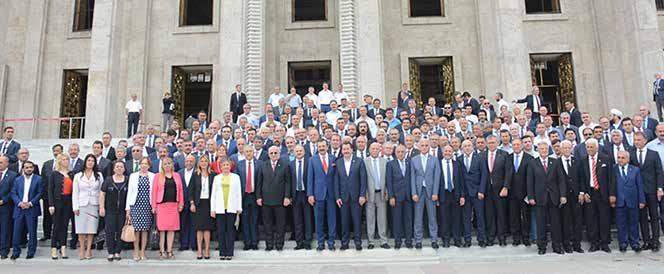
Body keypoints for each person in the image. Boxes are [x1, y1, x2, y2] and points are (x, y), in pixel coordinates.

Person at [527, 141, 566, 255]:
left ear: (549, 150)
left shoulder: (555, 162)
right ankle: (542, 246)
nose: (544, 150)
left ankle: (557, 246)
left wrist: (563, 195)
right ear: (538, 150)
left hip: (554, 197)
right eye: (541, 149)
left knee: (555, 223)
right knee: (541, 223)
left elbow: (561, 180)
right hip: (539, 198)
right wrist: (531, 197)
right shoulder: (532, 163)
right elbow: (530, 181)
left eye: (545, 149)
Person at [578, 138, 615, 253]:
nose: (589, 149)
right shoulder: (583, 160)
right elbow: (582, 179)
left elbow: (611, 178)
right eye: (587, 147)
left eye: (591, 147)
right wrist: (584, 193)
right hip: (590, 193)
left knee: (604, 218)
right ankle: (594, 243)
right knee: (591, 219)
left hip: (603, 193)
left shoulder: (606, 159)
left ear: (597, 147)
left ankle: (604, 243)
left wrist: (612, 194)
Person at [631, 132, 663, 252]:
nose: (637, 142)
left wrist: (659, 188)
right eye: (635, 140)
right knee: (642, 217)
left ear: (645, 140)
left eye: (639, 140)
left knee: (654, 216)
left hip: (652, 190)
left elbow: (659, 172)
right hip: (639, 191)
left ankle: (655, 240)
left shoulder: (653, 154)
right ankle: (646, 241)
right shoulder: (632, 154)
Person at [256, 146, 291, 251]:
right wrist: (258, 197)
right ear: (268, 154)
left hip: (280, 200)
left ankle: (279, 244)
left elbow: (288, 183)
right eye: (271, 153)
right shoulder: (263, 165)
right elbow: (259, 183)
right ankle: (269, 245)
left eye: (276, 153)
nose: (274, 155)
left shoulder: (285, 165)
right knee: (268, 224)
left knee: (280, 224)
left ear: (279, 153)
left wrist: (287, 197)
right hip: (266, 200)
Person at [334, 142, 367, 251]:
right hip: (343, 198)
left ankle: (358, 242)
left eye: (348, 149)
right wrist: (337, 196)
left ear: (352, 149)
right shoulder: (338, 162)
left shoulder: (359, 161)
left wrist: (362, 195)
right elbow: (336, 181)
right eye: (344, 149)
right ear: (342, 151)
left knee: (357, 221)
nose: (346, 151)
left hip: (356, 197)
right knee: (344, 221)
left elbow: (363, 179)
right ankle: (345, 243)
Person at [150, 157, 184, 260]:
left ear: (172, 165)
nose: (167, 165)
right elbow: (154, 192)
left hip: (173, 205)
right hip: (162, 205)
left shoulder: (177, 175)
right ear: (162, 165)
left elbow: (181, 190)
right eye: (165, 164)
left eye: (169, 163)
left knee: (171, 229)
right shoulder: (157, 176)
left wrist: (181, 204)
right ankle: (162, 251)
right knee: (162, 229)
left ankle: (169, 250)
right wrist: (154, 206)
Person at [307, 140, 337, 251]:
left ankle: (331, 242)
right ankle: (320, 242)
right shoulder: (312, 160)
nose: (322, 148)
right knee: (318, 219)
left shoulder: (333, 158)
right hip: (317, 193)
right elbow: (310, 178)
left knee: (332, 219)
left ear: (327, 146)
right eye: (319, 146)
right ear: (317, 148)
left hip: (331, 194)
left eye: (323, 146)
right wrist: (310, 194)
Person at [410, 139, 441, 249]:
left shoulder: (434, 160)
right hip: (419, 192)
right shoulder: (414, 160)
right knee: (418, 218)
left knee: (432, 217)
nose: (424, 147)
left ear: (429, 147)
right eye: (422, 145)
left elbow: (437, 177)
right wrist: (413, 193)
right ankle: (418, 240)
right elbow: (412, 178)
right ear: (418, 146)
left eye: (426, 145)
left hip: (431, 192)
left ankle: (434, 239)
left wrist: (435, 192)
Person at [9, 161, 42, 260]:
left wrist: (30, 203)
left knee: (32, 232)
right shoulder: (17, 180)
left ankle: (31, 251)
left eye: (30, 167)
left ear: (33, 168)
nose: (28, 169)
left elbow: (40, 193)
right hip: (19, 208)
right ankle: (16, 251)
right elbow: (13, 193)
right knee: (16, 232)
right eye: (26, 167)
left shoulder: (38, 179)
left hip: (31, 208)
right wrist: (19, 203)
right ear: (23, 168)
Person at [72, 154, 103, 260]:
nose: (90, 162)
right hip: (81, 204)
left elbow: (101, 192)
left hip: (94, 204)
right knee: (81, 228)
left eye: (92, 161)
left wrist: (101, 205)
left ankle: (89, 249)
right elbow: (75, 192)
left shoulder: (98, 175)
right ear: (85, 162)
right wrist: (75, 206)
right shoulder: (78, 176)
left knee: (91, 228)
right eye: (88, 160)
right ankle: (82, 249)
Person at [614, 150, 645, 253]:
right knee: (621, 223)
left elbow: (639, 186)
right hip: (619, 201)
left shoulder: (635, 170)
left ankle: (635, 243)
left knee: (633, 222)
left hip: (633, 200)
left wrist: (641, 200)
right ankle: (623, 242)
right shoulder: (613, 169)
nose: (620, 160)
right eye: (618, 157)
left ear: (628, 159)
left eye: (623, 158)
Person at [210, 160, 242, 260]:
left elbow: (238, 193)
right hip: (220, 208)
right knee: (221, 231)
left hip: (231, 208)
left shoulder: (236, 177)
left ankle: (229, 252)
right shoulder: (217, 178)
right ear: (220, 167)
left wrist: (239, 207)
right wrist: (213, 209)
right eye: (224, 165)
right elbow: (213, 194)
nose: (225, 167)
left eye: (227, 165)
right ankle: (222, 253)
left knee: (230, 231)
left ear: (230, 166)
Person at [459, 139, 488, 247]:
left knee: (480, 216)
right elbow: (459, 179)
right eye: (465, 146)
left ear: (473, 147)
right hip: (465, 193)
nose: (467, 147)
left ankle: (481, 239)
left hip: (477, 193)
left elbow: (484, 175)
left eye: (469, 145)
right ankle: (467, 240)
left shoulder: (479, 158)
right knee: (466, 218)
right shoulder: (459, 159)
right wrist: (461, 195)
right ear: (462, 148)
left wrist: (481, 190)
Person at [126, 157, 155, 261]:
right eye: (142, 163)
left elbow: (154, 192)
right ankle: (136, 251)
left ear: (149, 165)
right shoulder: (133, 176)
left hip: (147, 206)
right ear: (139, 165)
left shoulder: (153, 176)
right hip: (136, 205)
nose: (143, 165)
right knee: (136, 230)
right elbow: (129, 192)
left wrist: (154, 206)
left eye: (146, 164)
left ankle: (143, 251)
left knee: (145, 230)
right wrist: (127, 209)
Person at [482, 135, 509, 246]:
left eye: (494, 142)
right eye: (490, 143)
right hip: (487, 190)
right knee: (489, 214)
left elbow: (508, 172)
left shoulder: (504, 155)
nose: (492, 144)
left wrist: (506, 187)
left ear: (498, 143)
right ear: (487, 144)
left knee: (501, 214)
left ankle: (502, 237)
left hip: (500, 189)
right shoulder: (482, 155)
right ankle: (491, 237)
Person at [558, 140, 584, 253]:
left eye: (569, 148)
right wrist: (561, 195)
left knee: (577, 221)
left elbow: (582, 178)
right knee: (566, 221)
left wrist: (582, 192)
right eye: (565, 148)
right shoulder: (556, 162)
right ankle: (567, 244)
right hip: (564, 197)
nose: (567, 150)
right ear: (561, 149)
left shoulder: (577, 161)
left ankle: (577, 244)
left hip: (576, 196)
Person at [99, 161, 128, 261]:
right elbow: (102, 194)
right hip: (110, 210)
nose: (119, 168)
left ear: (124, 169)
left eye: (121, 167)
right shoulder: (108, 180)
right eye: (117, 167)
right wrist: (102, 207)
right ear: (114, 169)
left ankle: (117, 252)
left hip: (123, 211)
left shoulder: (127, 180)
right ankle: (110, 251)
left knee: (121, 231)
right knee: (110, 231)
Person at [386, 145, 413, 249]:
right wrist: (391, 196)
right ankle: (398, 241)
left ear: (405, 152)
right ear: (395, 153)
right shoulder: (390, 164)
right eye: (398, 152)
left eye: (403, 152)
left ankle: (408, 241)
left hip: (408, 196)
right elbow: (389, 181)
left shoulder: (409, 163)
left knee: (408, 219)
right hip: (396, 197)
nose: (401, 153)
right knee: (397, 220)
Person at [438, 145, 465, 248]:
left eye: (450, 151)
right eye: (446, 151)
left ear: (453, 152)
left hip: (455, 194)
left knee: (456, 218)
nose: (448, 153)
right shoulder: (438, 164)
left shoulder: (457, 164)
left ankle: (457, 239)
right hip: (443, 194)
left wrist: (462, 195)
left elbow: (461, 181)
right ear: (442, 152)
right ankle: (446, 240)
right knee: (445, 218)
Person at [188, 155, 215, 259]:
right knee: (199, 229)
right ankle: (199, 250)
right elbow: (190, 190)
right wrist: (192, 203)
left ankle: (207, 250)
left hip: (208, 204)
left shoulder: (213, 175)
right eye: (202, 161)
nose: (203, 163)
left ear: (208, 163)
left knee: (207, 228)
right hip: (198, 204)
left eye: (205, 161)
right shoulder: (195, 175)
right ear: (199, 163)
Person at [364, 143, 389, 249]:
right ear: (369, 150)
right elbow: (362, 179)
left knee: (382, 217)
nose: (375, 150)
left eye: (377, 149)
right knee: (370, 218)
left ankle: (383, 240)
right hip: (369, 194)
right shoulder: (365, 162)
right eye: (372, 149)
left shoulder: (385, 162)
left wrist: (387, 192)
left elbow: (388, 179)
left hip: (381, 193)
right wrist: (364, 193)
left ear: (380, 150)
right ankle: (371, 241)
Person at [236, 145, 261, 250]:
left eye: (250, 151)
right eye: (246, 151)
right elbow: (237, 183)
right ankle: (247, 242)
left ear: (253, 152)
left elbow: (261, 181)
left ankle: (255, 242)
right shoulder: (239, 165)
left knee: (254, 220)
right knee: (245, 220)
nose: (249, 153)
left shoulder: (259, 164)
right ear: (244, 153)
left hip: (255, 196)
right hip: (244, 196)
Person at [289, 145, 313, 250]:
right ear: (294, 153)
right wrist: (289, 196)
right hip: (295, 195)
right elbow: (289, 182)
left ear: (304, 152)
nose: (298, 152)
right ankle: (299, 242)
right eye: (297, 151)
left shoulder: (309, 162)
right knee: (297, 220)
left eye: (300, 151)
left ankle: (307, 241)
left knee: (308, 219)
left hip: (306, 194)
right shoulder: (290, 165)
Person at [0, 156, 19, 259]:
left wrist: (3, 200)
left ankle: (4, 250)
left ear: (7, 163)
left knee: (5, 229)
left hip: (6, 206)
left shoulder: (13, 175)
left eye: (1, 162)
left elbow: (13, 191)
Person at [178, 154, 196, 251]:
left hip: (194, 202)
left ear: (194, 162)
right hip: (182, 202)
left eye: (191, 161)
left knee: (194, 223)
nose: (189, 163)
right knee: (183, 223)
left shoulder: (197, 172)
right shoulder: (179, 173)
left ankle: (193, 244)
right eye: (187, 161)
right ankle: (184, 244)